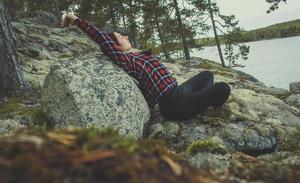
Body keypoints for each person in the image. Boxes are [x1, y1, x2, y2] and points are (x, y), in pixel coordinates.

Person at [60, 13, 231, 121]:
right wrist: (75, 19)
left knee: (207, 75)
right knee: (223, 88)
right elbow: (101, 38)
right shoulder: (125, 59)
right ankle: (202, 106)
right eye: (121, 37)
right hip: (173, 103)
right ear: (115, 46)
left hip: (178, 91)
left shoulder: (137, 56)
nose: (125, 37)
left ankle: (201, 104)